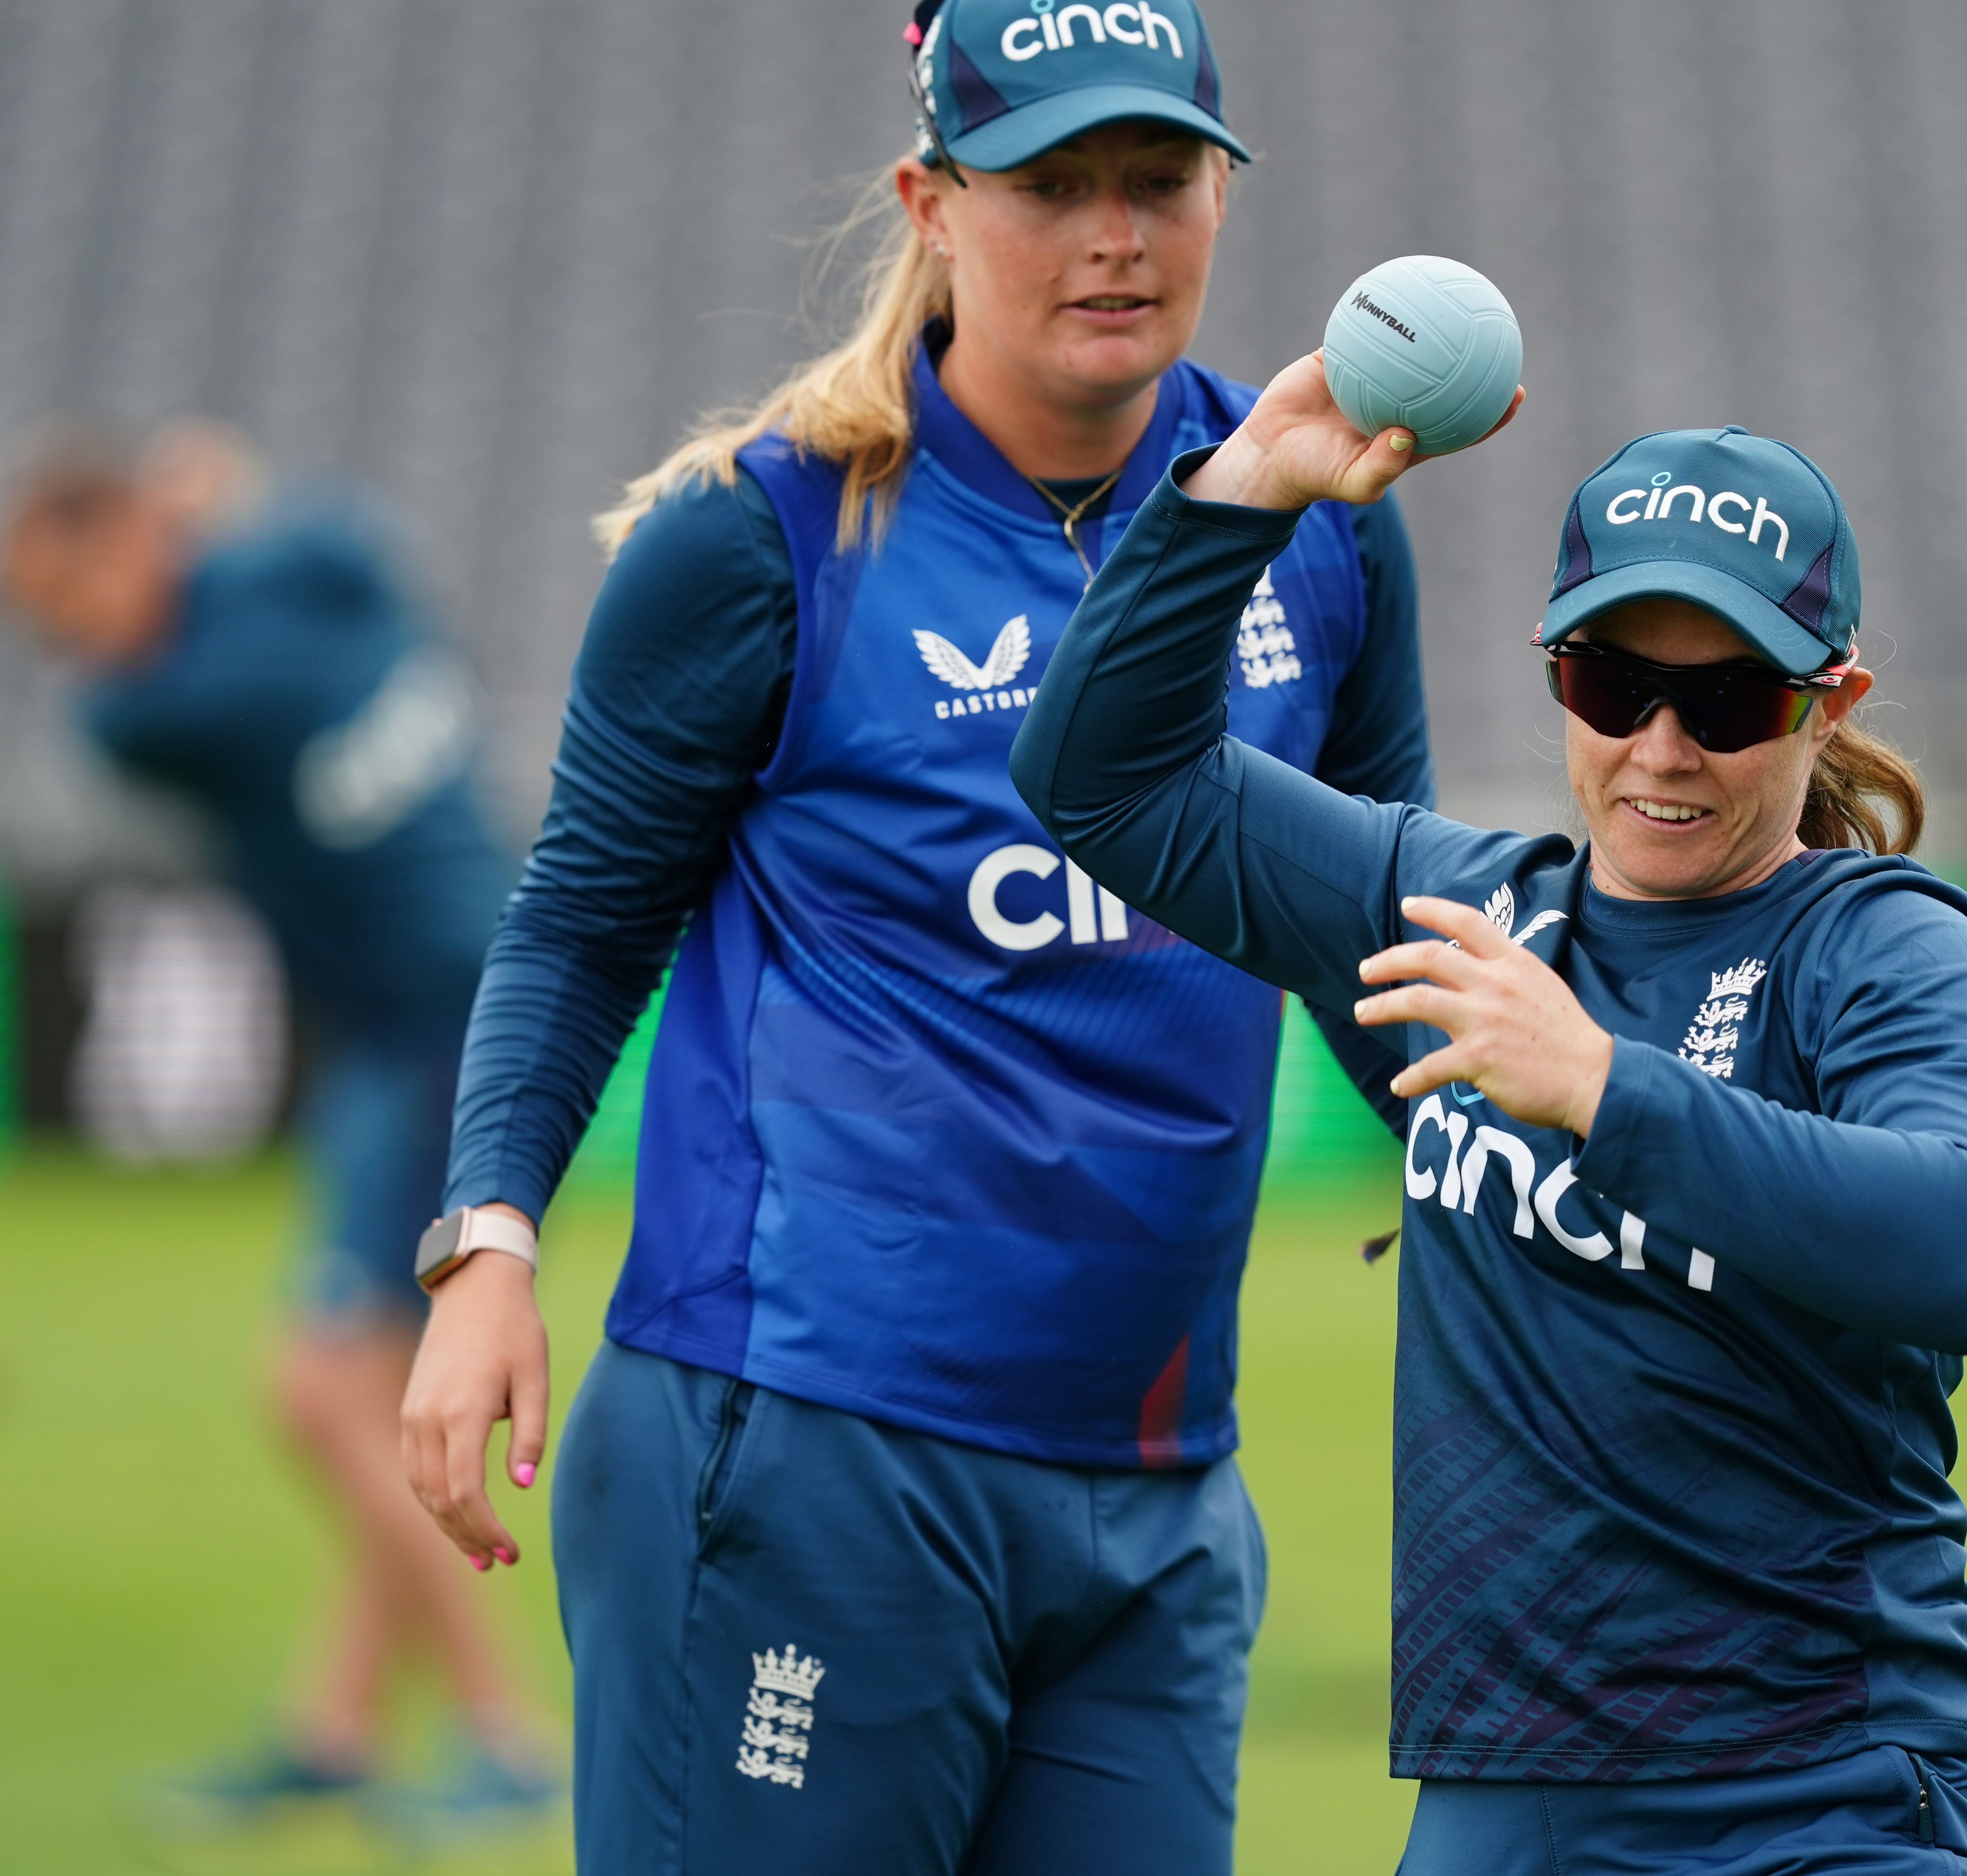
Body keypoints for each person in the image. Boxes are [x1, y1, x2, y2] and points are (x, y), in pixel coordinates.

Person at [397, 2, 1432, 1870]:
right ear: (931, 200)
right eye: (1051, 184)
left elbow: (1384, 949)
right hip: (802, 1452)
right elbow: (572, 928)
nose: (1114, 231)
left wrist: (1574, 1206)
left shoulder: (1325, 520)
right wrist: (485, 1249)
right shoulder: (764, 535)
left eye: (1159, 178)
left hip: (1156, 1488)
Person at [1012, 362, 1967, 1874]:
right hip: (1507, 1798)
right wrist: (1244, 490)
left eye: (1728, 699)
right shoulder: (1459, 906)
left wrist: (1606, 1090)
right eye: (1613, 683)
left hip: (1823, 1792)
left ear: (1831, 706)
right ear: (1553, 667)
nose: (1662, 748)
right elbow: (1098, 779)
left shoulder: (1891, 946)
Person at [0, 424, 551, 1823]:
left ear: (136, 544)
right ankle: (339, 1728)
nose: (75, 652)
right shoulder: (307, 574)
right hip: (425, 1019)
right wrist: (216, 504)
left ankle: (504, 1737)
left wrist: (190, 527)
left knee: (319, 1396)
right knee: (361, 1407)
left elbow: (174, 649)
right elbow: (340, 535)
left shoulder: (165, 704)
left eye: (71, 604)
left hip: (442, 1030)